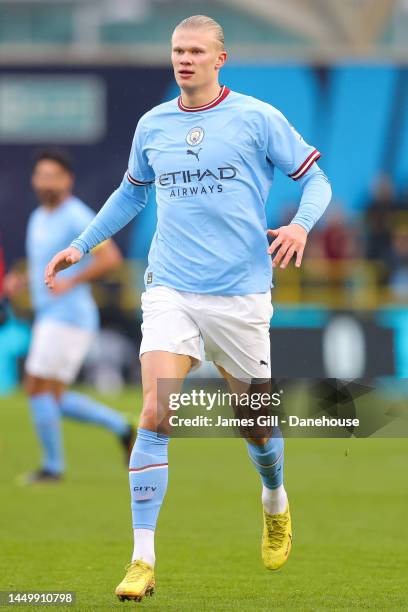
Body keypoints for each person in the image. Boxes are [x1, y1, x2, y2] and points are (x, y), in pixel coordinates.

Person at [45, 16, 332, 602]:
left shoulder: (257, 118)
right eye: (178, 50)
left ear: (220, 58)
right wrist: (82, 244)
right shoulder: (153, 123)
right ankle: (141, 561)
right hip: (171, 287)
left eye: (197, 51)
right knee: (155, 411)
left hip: (242, 295)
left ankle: (274, 498)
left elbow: (317, 181)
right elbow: (131, 191)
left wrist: (301, 227)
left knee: (254, 422)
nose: (185, 59)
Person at [5, 149, 134, 484]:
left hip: (69, 316)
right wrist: (19, 281)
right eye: (41, 175)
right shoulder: (39, 217)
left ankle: (52, 468)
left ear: (67, 180)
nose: (46, 182)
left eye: (53, 175)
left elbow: (111, 258)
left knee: (36, 388)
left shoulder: (77, 215)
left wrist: (72, 280)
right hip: (52, 315)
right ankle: (121, 427)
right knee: (54, 398)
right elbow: (42, 265)